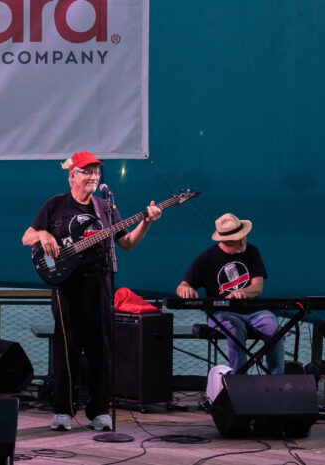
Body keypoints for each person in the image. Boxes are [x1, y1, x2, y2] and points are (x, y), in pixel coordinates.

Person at [21, 151, 162, 432]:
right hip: (67, 285)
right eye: (87, 171)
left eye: (96, 171)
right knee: (67, 348)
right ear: (72, 175)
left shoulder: (105, 208)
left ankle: (99, 410)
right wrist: (44, 234)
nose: (94, 176)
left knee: (101, 349)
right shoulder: (55, 205)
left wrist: (146, 221)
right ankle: (64, 410)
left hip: (99, 283)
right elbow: (27, 237)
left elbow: (127, 243)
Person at [176, 213, 283, 374]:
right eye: (238, 239)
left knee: (275, 330)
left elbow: (258, 287)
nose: (243, 241)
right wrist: (186, 288)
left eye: (243, 236)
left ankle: (276, 380)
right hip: (222, 313)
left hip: (254, 311)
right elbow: (183, 286)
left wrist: (242, 292)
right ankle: (239, 381)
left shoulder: (252, 251)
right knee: (234, 329)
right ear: (226, 241)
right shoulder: (206, 259)